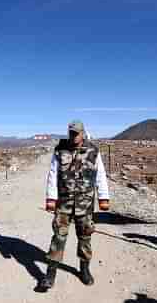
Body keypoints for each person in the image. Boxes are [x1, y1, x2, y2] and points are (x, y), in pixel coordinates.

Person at [38, 120, 110, 291]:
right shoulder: (60, 150)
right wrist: (51, 198)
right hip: (64, 202)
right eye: (71, 132)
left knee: (85, 237)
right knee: (58, 237)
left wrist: (103, 197)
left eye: (77, 133)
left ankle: (84, 269)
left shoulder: (93, 150)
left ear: (83, 133)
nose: (74, 136)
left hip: (85, 203)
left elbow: (100, 174)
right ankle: (50, 274)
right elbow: (53, 174)